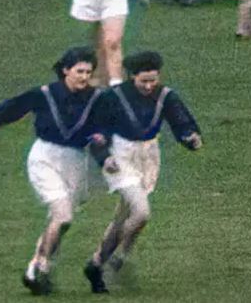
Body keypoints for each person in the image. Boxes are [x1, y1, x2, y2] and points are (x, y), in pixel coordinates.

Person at [0, 47, 111, 295]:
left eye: (88, 72)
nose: (84, 77)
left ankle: (37, 268)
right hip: (45, 157)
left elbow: (101, 132)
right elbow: (16, 107)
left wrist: (105, 154)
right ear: (66, 70)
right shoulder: (46, 94)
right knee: (63, 215)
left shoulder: (96, 98)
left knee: (62, 221)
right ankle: (40, 267)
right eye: (79, 71)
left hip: (77, 162)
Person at [83, 51, 202, 294]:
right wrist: (104, 158)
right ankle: (120, 256)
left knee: (121, 219)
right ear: (131, 77)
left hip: (148, 156)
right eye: (143, 81)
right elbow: (97, 130)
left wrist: (190, 138)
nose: (149, 86)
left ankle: (95, 264)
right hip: (120, 156)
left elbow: (181, 121)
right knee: (142, 212)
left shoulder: (166, 96)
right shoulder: (113, 97)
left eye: (153, 80)